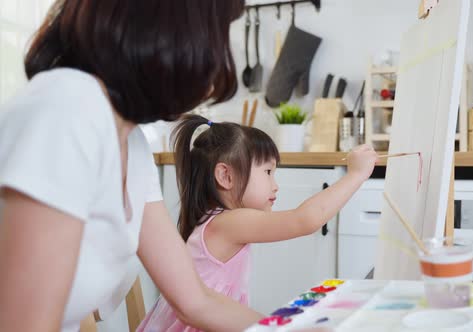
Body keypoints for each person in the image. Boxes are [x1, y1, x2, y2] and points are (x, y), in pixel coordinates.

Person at [0, 1, 263, 331]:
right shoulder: (66, 109)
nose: (223, 54)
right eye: (219, 31)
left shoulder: (132, 142)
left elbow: (196, 300)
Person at [138, 115, 378, 331]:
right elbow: (305, 220)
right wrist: (356, 175)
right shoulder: (228, 222)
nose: (275, 185)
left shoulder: (216, 220)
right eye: (267, 172)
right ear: (226, 176)